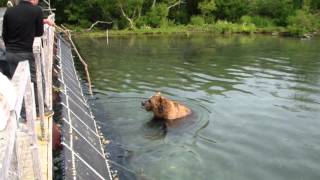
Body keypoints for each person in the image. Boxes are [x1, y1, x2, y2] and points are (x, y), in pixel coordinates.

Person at [2, 0, 54, 80]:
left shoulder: (9, 11)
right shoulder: (37, 10)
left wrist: (9, 48)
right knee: (33, 81)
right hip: (26, 53)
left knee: (16, 80)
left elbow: (4, 34)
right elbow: (39, 33)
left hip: (10, 53)